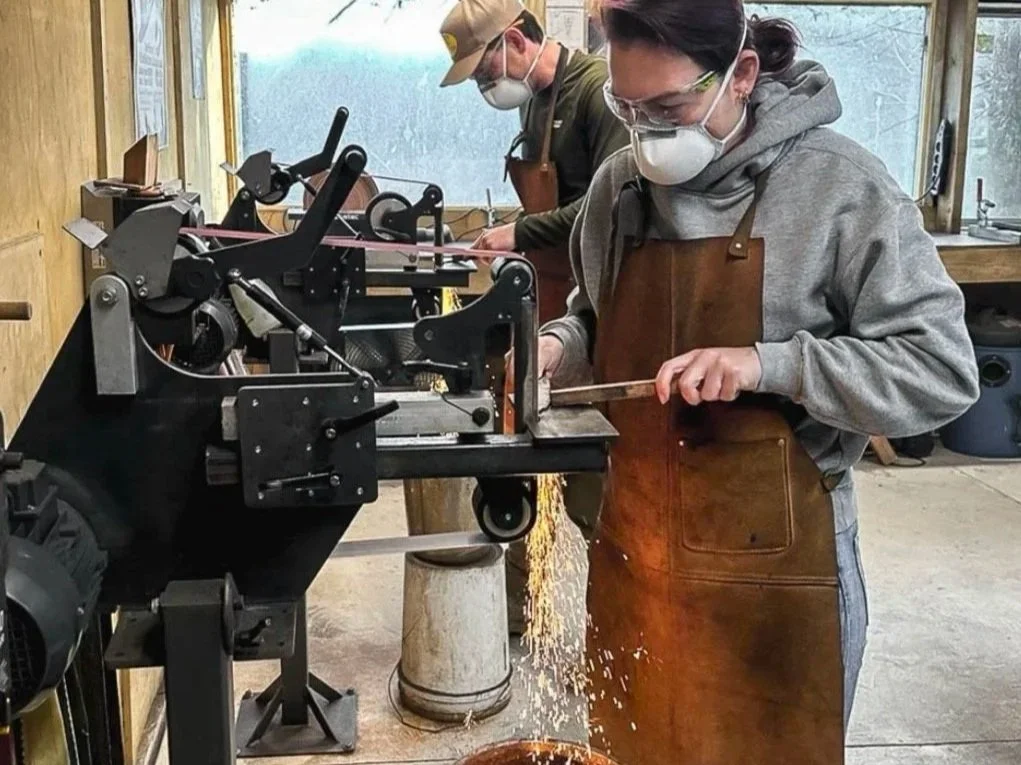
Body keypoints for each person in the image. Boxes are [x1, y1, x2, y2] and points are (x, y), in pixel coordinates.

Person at [532, 0, 981, 762]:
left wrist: (769, 363)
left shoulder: (838, 189)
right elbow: (594, 320)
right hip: (636, 545)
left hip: (779, 568)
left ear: (740, 74)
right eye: (626, 107)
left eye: (668, 107)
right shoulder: (617, 189)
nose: (647, 134)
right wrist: (555, 345)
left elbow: (940, 369)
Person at [439, 0, 628, 636]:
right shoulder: (532, 103)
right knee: (514, 455)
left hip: (590, 309)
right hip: (538, 301)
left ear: (516, 41)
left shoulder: (599, 94)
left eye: (485, 71)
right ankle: (521, 614)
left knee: (588, 482)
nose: (485, 87)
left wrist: (518, 232)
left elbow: (607, 213)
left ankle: (615, 627)